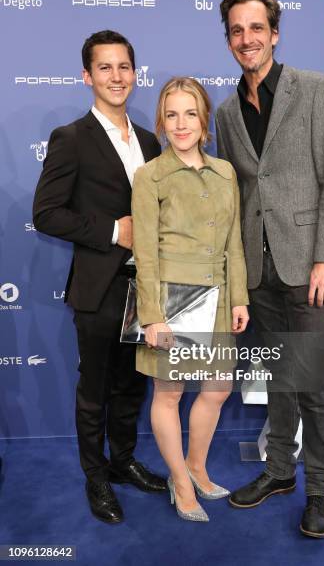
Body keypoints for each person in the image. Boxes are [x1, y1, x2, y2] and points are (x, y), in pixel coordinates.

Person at [215, 0, 324, 538]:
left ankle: (319, 488)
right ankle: (279, 471)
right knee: (276, 377)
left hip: (306, 267)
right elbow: (239, 193)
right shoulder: (225, 111)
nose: (246, 39)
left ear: (274, 33)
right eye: (236, 31)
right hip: (258, 269)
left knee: (313, 382)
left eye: (255, 28)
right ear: (229, 39)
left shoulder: (314, 90)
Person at [33, 30, 166, 525]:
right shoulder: (71, 138)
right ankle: (96, 477)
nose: (116, 76)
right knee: (94, 389)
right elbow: (46, 213)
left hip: (147, 288)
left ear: (135, 73)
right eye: (105, 68)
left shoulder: (151, 141)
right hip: (99, 286)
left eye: (124, 67)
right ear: (87, 76)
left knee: (132, 384)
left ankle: (123, 460)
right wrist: (114, 230)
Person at [132, 77, 249, 522]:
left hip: (219, 297)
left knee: (217, 389)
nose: (181, 124)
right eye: (172, 114)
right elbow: (144, 252)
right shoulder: (150, 176)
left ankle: (197, 467)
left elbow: (234, 242)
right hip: (172, 300)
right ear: (163, 121)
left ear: (205, 121)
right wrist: (153, 316)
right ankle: (179, 481)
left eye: (190, 114)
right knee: (169, 394)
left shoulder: (225, 173)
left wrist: (239, 298)